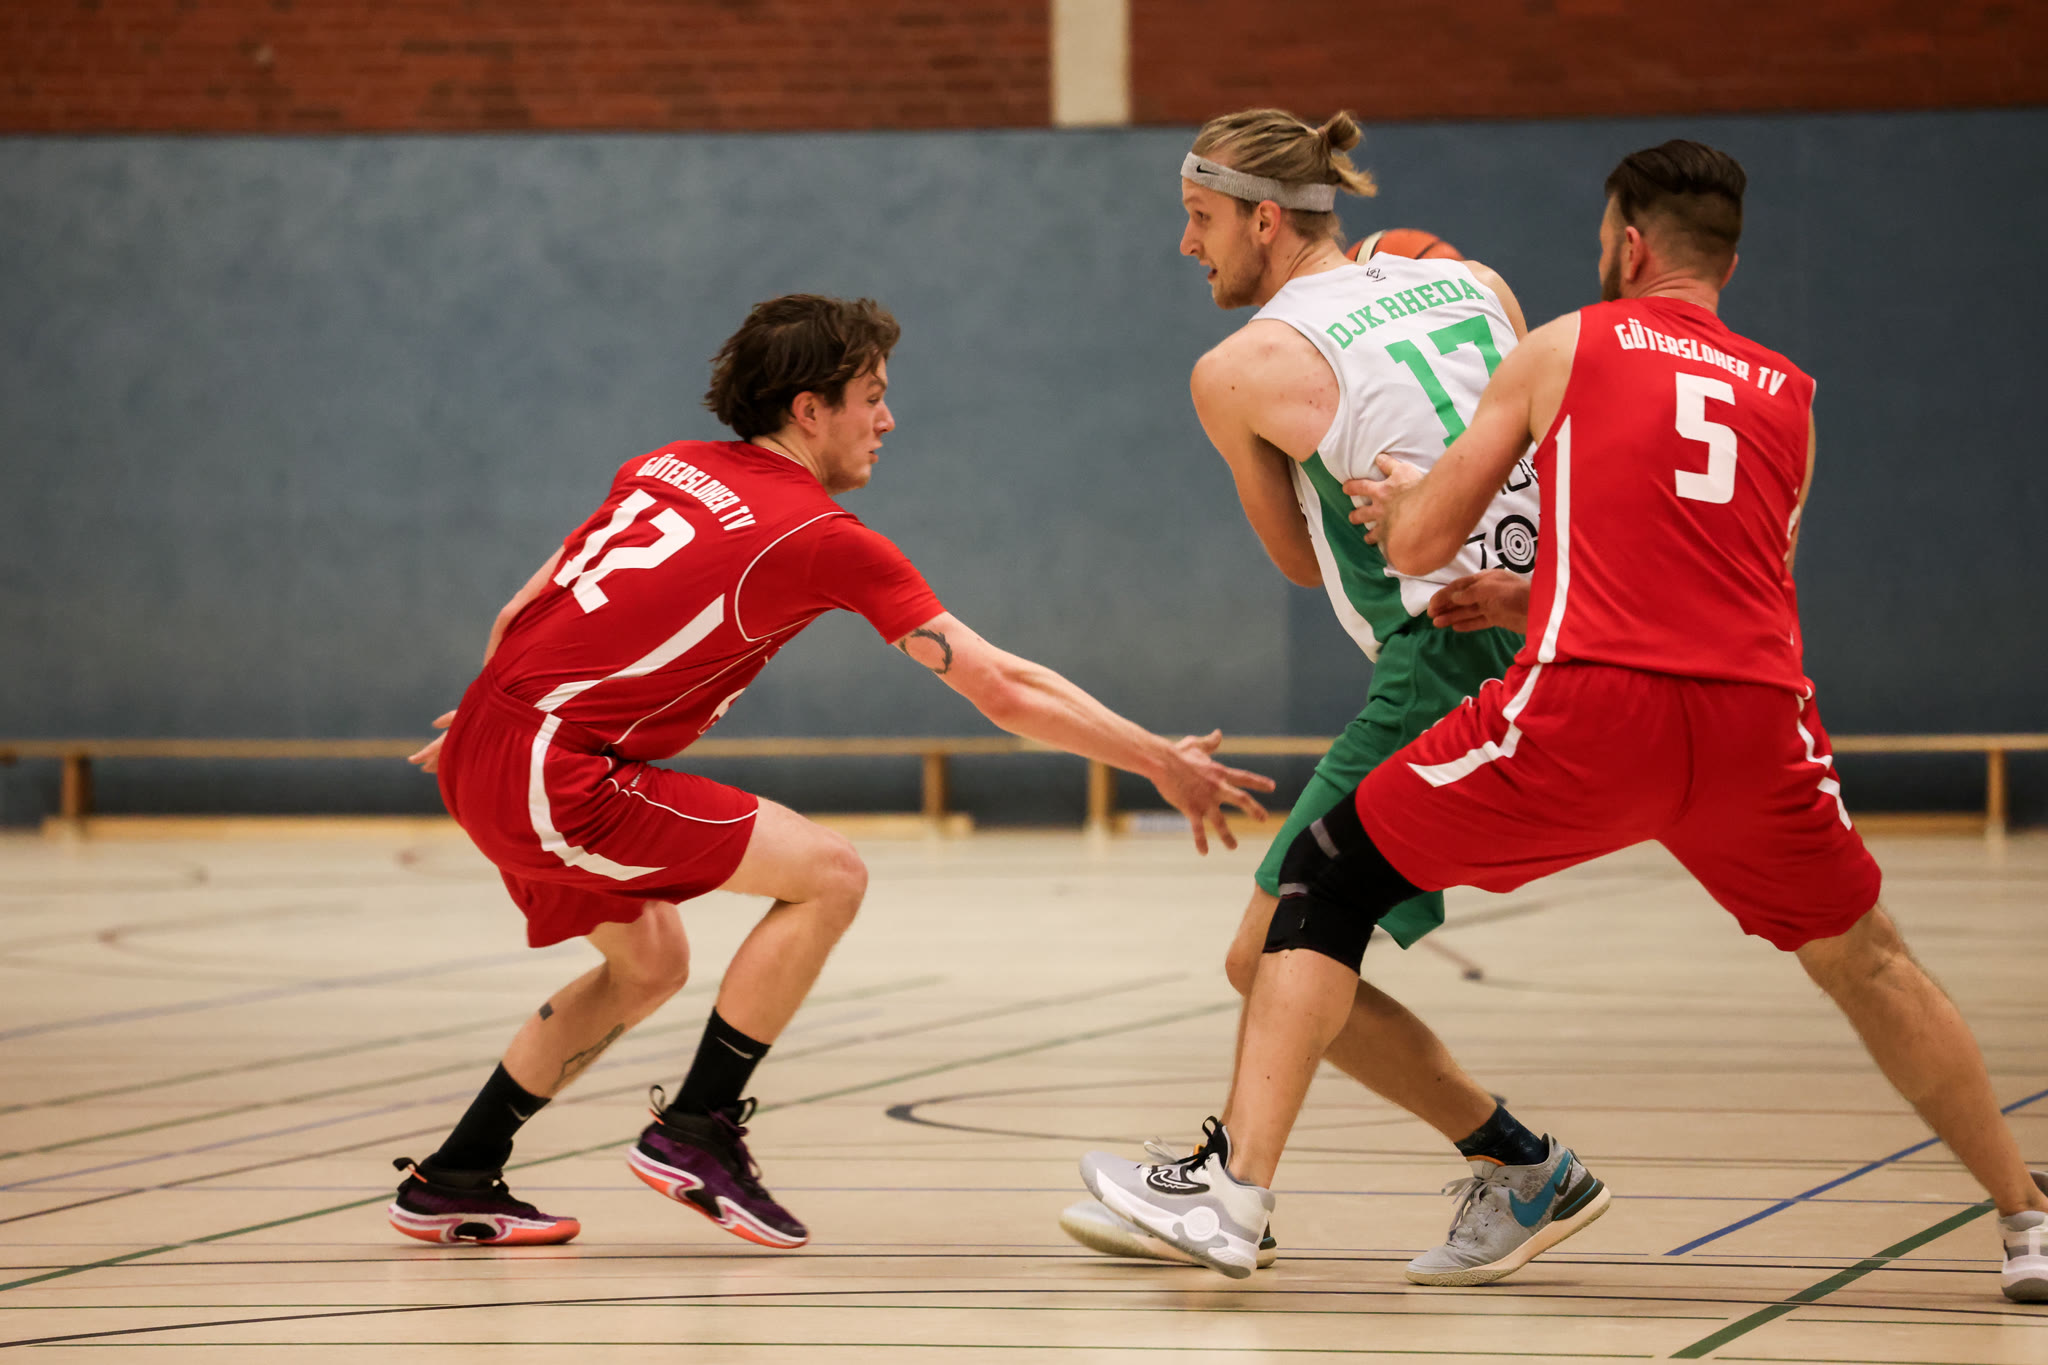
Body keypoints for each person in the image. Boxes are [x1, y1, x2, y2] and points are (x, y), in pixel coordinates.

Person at [1078, 139, 2048, 1302]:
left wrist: (1400, 513)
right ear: (1728, 262)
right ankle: (2025, 1218)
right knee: (1870, 962)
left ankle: (1242, 1195)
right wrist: (1529, 595)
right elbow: (1721, 577)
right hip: (1754, 716)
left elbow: (1420, 545)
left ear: (1626, 246)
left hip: (1585, 706)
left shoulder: (1568, 344)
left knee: (1318, 885)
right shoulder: (1785, 395)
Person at [387, 293, 1274, 1250]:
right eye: (872, 396)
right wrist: (1160, 760)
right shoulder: (817, 536)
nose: (887, 419)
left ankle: (456, 1175)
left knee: (651, 962)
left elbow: (526, 606)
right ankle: (696, 1130)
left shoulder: (664, 465)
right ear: (809, 410)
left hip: (494, 742)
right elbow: (1004, 687)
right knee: (830, 874)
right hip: (556, 772)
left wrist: (493, 723)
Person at [1060, 108, 1606, 1285]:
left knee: (1278, 940)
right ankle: (1504, 1165)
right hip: (1553, 621)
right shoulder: (1473, 281)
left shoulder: (1238, 369)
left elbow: (1300, 564)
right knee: (1277, 947)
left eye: (1199, 219)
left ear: (1264, 219)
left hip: (1434, 654)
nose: (1186, 244)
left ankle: (1246, 1189)